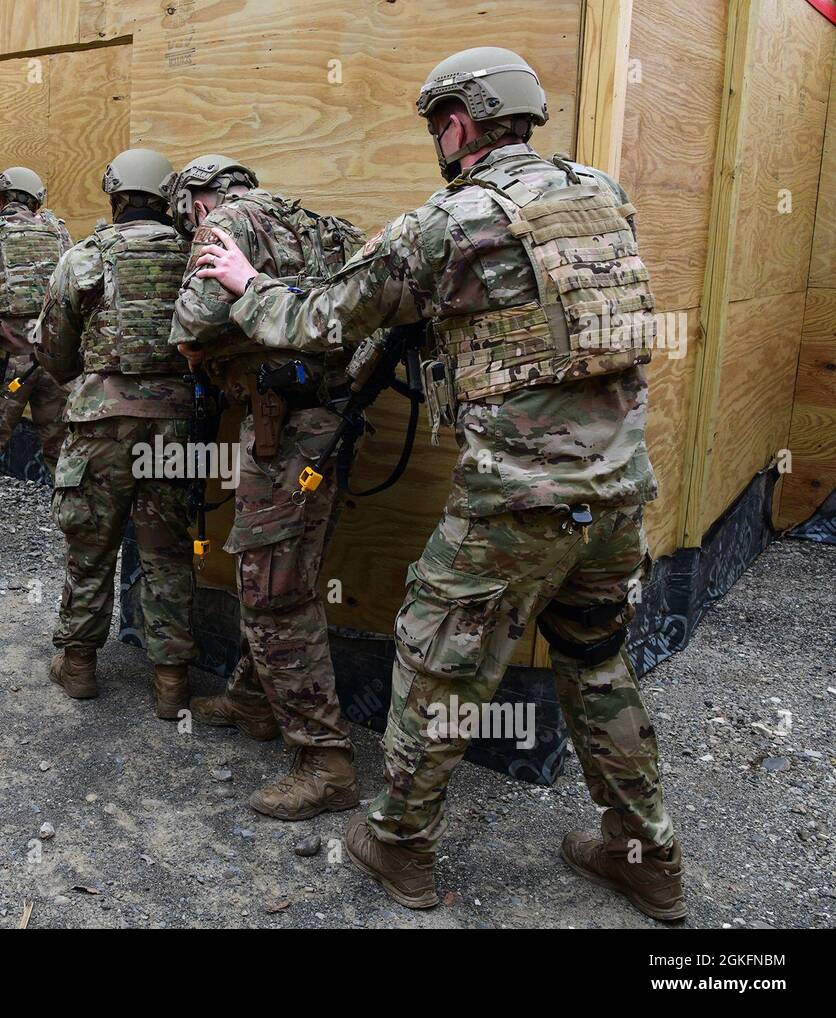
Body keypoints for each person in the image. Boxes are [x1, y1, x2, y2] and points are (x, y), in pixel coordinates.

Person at [194, 48, 685, 921]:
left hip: (516, 502)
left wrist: (245, 281)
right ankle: (645, 855)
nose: (435, 140)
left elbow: (317, 320)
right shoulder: (602, 194)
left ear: (458, 122)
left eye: (435, 125)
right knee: (598, 668)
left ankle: (398, 842)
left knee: (435, 668)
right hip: (616, 498)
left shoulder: (448, 223)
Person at [169, 155, 368, 821]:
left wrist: (215, 344)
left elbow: (192, 323)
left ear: (198, 200)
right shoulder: (323, 225)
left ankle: (327, 761)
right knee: (288, 571)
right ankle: (253, 700)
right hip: (331, 424)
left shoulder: (222, 224)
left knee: (272, 591)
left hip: (283, 435)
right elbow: (367, 311)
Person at [34, 149, 198, 720]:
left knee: (90, 545)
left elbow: (52, 351)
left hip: (101, 424)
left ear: (113, 193)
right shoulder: (194, 256)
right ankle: (171, 680)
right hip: (176, 424)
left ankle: (78, 665)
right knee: (168, 552)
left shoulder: (85, 258)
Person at [0, 166, 72, 563]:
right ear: (36, 199)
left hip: (6, 364)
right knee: (64, 449)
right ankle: (76, 534)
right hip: (55, 361)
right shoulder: (60, 232)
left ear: (1, 197)